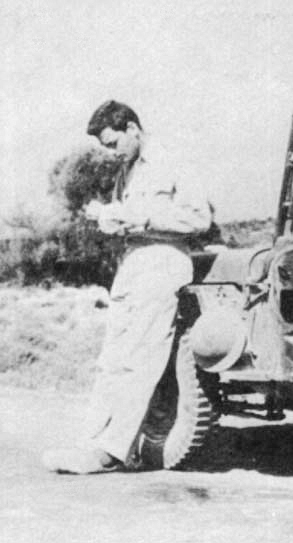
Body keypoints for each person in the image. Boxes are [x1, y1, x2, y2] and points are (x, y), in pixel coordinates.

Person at [42, 100, 214, 474]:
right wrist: (110, 219)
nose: (112, 152)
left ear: (132, 128)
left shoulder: (172, 160)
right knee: (112, 362)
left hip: (163, 264)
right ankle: (91, 444)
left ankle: (110, 453)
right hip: (133, 265)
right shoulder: (128, 170)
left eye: (114, 143)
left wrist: (136, 217)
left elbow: (199, 218)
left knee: (140, 361)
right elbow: (127, 220)